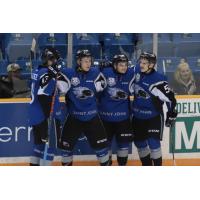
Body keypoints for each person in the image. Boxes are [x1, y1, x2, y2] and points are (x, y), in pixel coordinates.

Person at [60, 49, 109, 166]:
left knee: (102, 150)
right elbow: (60, 89)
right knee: (66, 150)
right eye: (85, 61)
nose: (89, 63)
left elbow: (102, 89)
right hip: (74, 118)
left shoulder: (96, 73)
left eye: (90, 61)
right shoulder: (68, 73)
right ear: (78, 62)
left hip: (92, 117)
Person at [131, 52, 177, 166]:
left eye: (144, 63)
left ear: (151, 65)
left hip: (154, 117)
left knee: (153, 143)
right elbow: (124, 68)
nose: (141, 65)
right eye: (140, 62)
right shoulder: (136, 71)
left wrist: (171, 114)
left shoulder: (159, 80)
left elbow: (170, 99)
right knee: (139, 143)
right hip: (137, 117)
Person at [29, 47, 71, 166]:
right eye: (55, 60)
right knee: (51, 146)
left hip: (35, 115)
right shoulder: (47, 74)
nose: (57, 63)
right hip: (45, 116)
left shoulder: (37, 71)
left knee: (39, 145)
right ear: (51, 60)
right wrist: (49, 116)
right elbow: (43, 95)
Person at [98, 54, 134, 166]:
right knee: (105, 146)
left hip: (123, 119)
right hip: (105, 119)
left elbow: (145, 66)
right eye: (121, 65)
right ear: (114, 65)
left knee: (123, 146)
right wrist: (100, 66)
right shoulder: (105, 72)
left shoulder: (131, 74)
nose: (124, 67)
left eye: (125, 65)